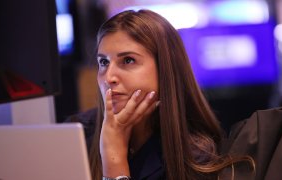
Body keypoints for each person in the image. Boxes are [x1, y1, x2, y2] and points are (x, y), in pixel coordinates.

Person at [73, 9, 254, 180]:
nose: (109, 77)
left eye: (128, 60)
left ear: (165, 70)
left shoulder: (196, 156)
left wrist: (114, 157)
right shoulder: (79, 134)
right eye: (103, 62)